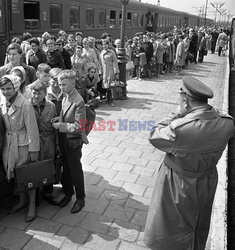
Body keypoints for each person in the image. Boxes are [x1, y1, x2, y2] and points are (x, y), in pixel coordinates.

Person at [144, 76, 235, 250]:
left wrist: (176, 114)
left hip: (179, 184)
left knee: (172, 226)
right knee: (198, 222)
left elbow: (154, 135)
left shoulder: (180, 129)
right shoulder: (227, 123)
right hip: (207, 181)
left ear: (185, 101)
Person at [0, 75, 40, 222]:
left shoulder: (24, 104)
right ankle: (22, 202)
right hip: (10, 144)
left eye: (9, 88)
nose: (6, 92)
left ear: (16, 87)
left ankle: (32, 207)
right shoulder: (3, 102)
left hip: (23, 145)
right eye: (3, 89)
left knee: (28, 175)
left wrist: (33, 150)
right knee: (17, 175)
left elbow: (32, 129)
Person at [52, 70, 88, 213]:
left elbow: (80, 127)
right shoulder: (65, 96)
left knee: (75, 170)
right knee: (65, 168)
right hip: (63, 138)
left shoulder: (78, 101)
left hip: (73, 142)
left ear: (73, 83)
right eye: (60, 84)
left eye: (64, 84)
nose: (61, 87)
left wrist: (60, 126)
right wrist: (58, 120)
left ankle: (80, 198)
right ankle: (68, 193)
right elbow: (64, 115)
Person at [30, 80, 58, 205]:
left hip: (49, 141)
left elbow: (55, 126)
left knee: (48, 167)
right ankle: (34, 196)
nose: (36, 96)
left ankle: (48, 192)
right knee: (34, 169)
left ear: (45, 93)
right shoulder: (27, 105)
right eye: (34, 93)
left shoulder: (51, 106)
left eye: (39, 93)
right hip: (34, 142)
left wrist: (57, 145)